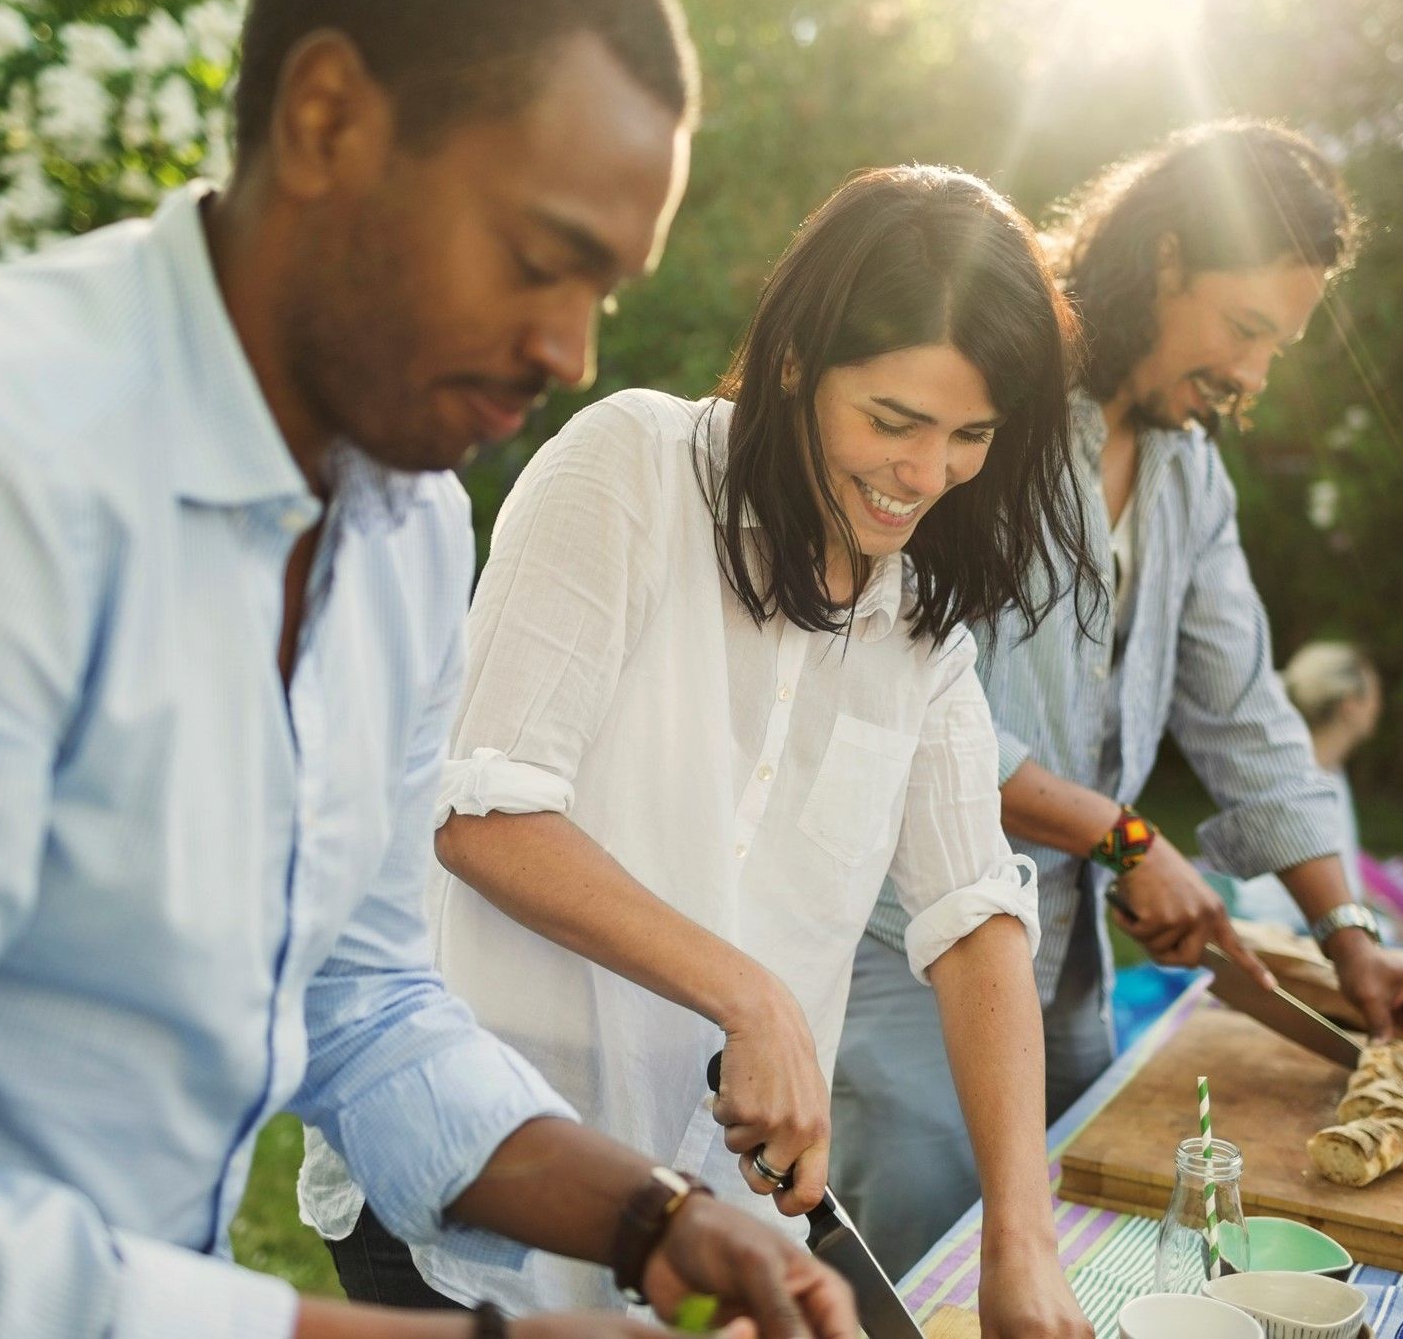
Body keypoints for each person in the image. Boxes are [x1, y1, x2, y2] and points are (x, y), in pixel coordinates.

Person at [0, 0, 860, 1337]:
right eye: (541, 262)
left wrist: (652, 1217)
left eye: (602, 289)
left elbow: (360, 1002)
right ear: (324, 121)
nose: (571, 350)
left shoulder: (409, 526)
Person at [301, 165, 1105, 1338]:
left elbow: (975, 917)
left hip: (704, 1220)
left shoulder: (921, 625)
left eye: (971, 436)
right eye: (894, 422)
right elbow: (482, 812)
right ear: (795, 364)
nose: (928, 475)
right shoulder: (629, 468)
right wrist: (751, 995)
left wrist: (1018, 1241)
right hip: (475, 1171)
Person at [830, 121, 1403, 1275]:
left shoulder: (1188, 472)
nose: (1254, 376)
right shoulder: (986, 404)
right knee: (917, 1285)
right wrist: (1121, 835)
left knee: (1068, 1262)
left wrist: (1348, 932)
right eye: (1245, 329)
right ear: (1165, 260)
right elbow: (896, 697)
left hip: (1063, 964)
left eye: (1278, 347)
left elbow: (1244, 710)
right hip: (899, 947)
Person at [1224, 642, 1383, 932]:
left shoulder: (1329, 768)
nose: (1378, 706)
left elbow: (1340, 863)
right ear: (1350, 705)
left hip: (1312, 917)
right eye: (1373, 695)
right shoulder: (1303, 779)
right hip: (1285, 927)